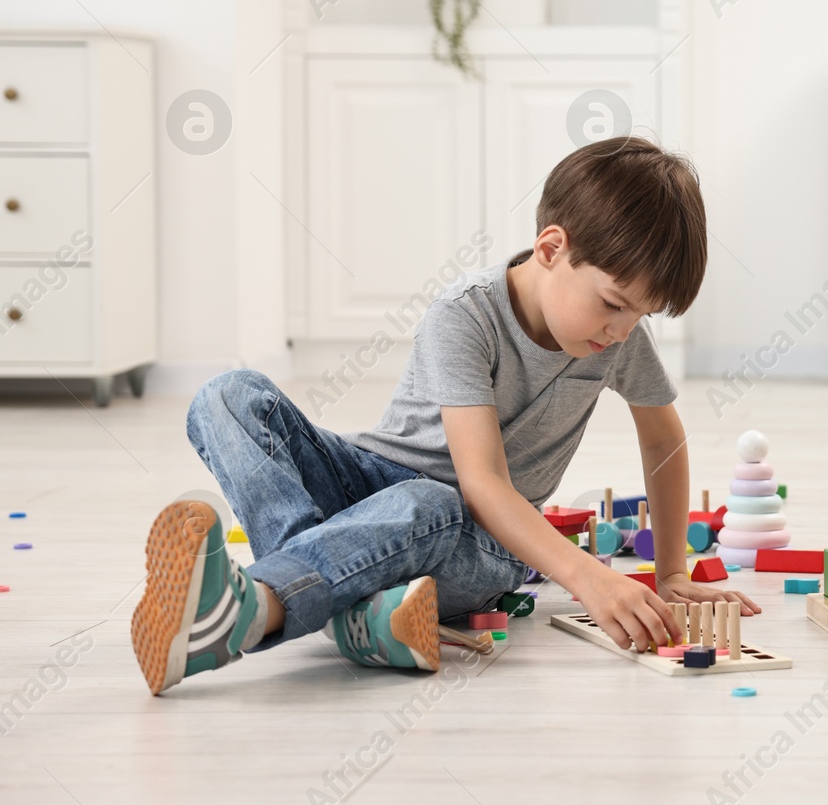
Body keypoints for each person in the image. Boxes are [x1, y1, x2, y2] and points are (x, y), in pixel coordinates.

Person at [132, 137, 755, 694]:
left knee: (432, 504)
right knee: (229, 395)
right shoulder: (466, 315)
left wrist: (672, 569)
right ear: (551, 248)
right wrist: (590, 577)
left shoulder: (615, 341)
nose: (621, 332)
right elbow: (478, 471)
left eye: (639, 316)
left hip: (478, 545)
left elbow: (661, 440)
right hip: (377, 482)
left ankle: (254, 607)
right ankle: (345, 604)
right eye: (614, 304)